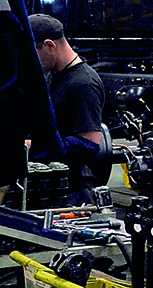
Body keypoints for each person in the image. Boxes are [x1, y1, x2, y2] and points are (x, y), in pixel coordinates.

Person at [27, 14, 109, 206]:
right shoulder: (52, 75)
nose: (31, 63)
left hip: (73, 191)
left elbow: (88, 145)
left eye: (33, 55)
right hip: (49, 184)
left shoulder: (83, 84)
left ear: (49, 45)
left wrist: (35, 146)